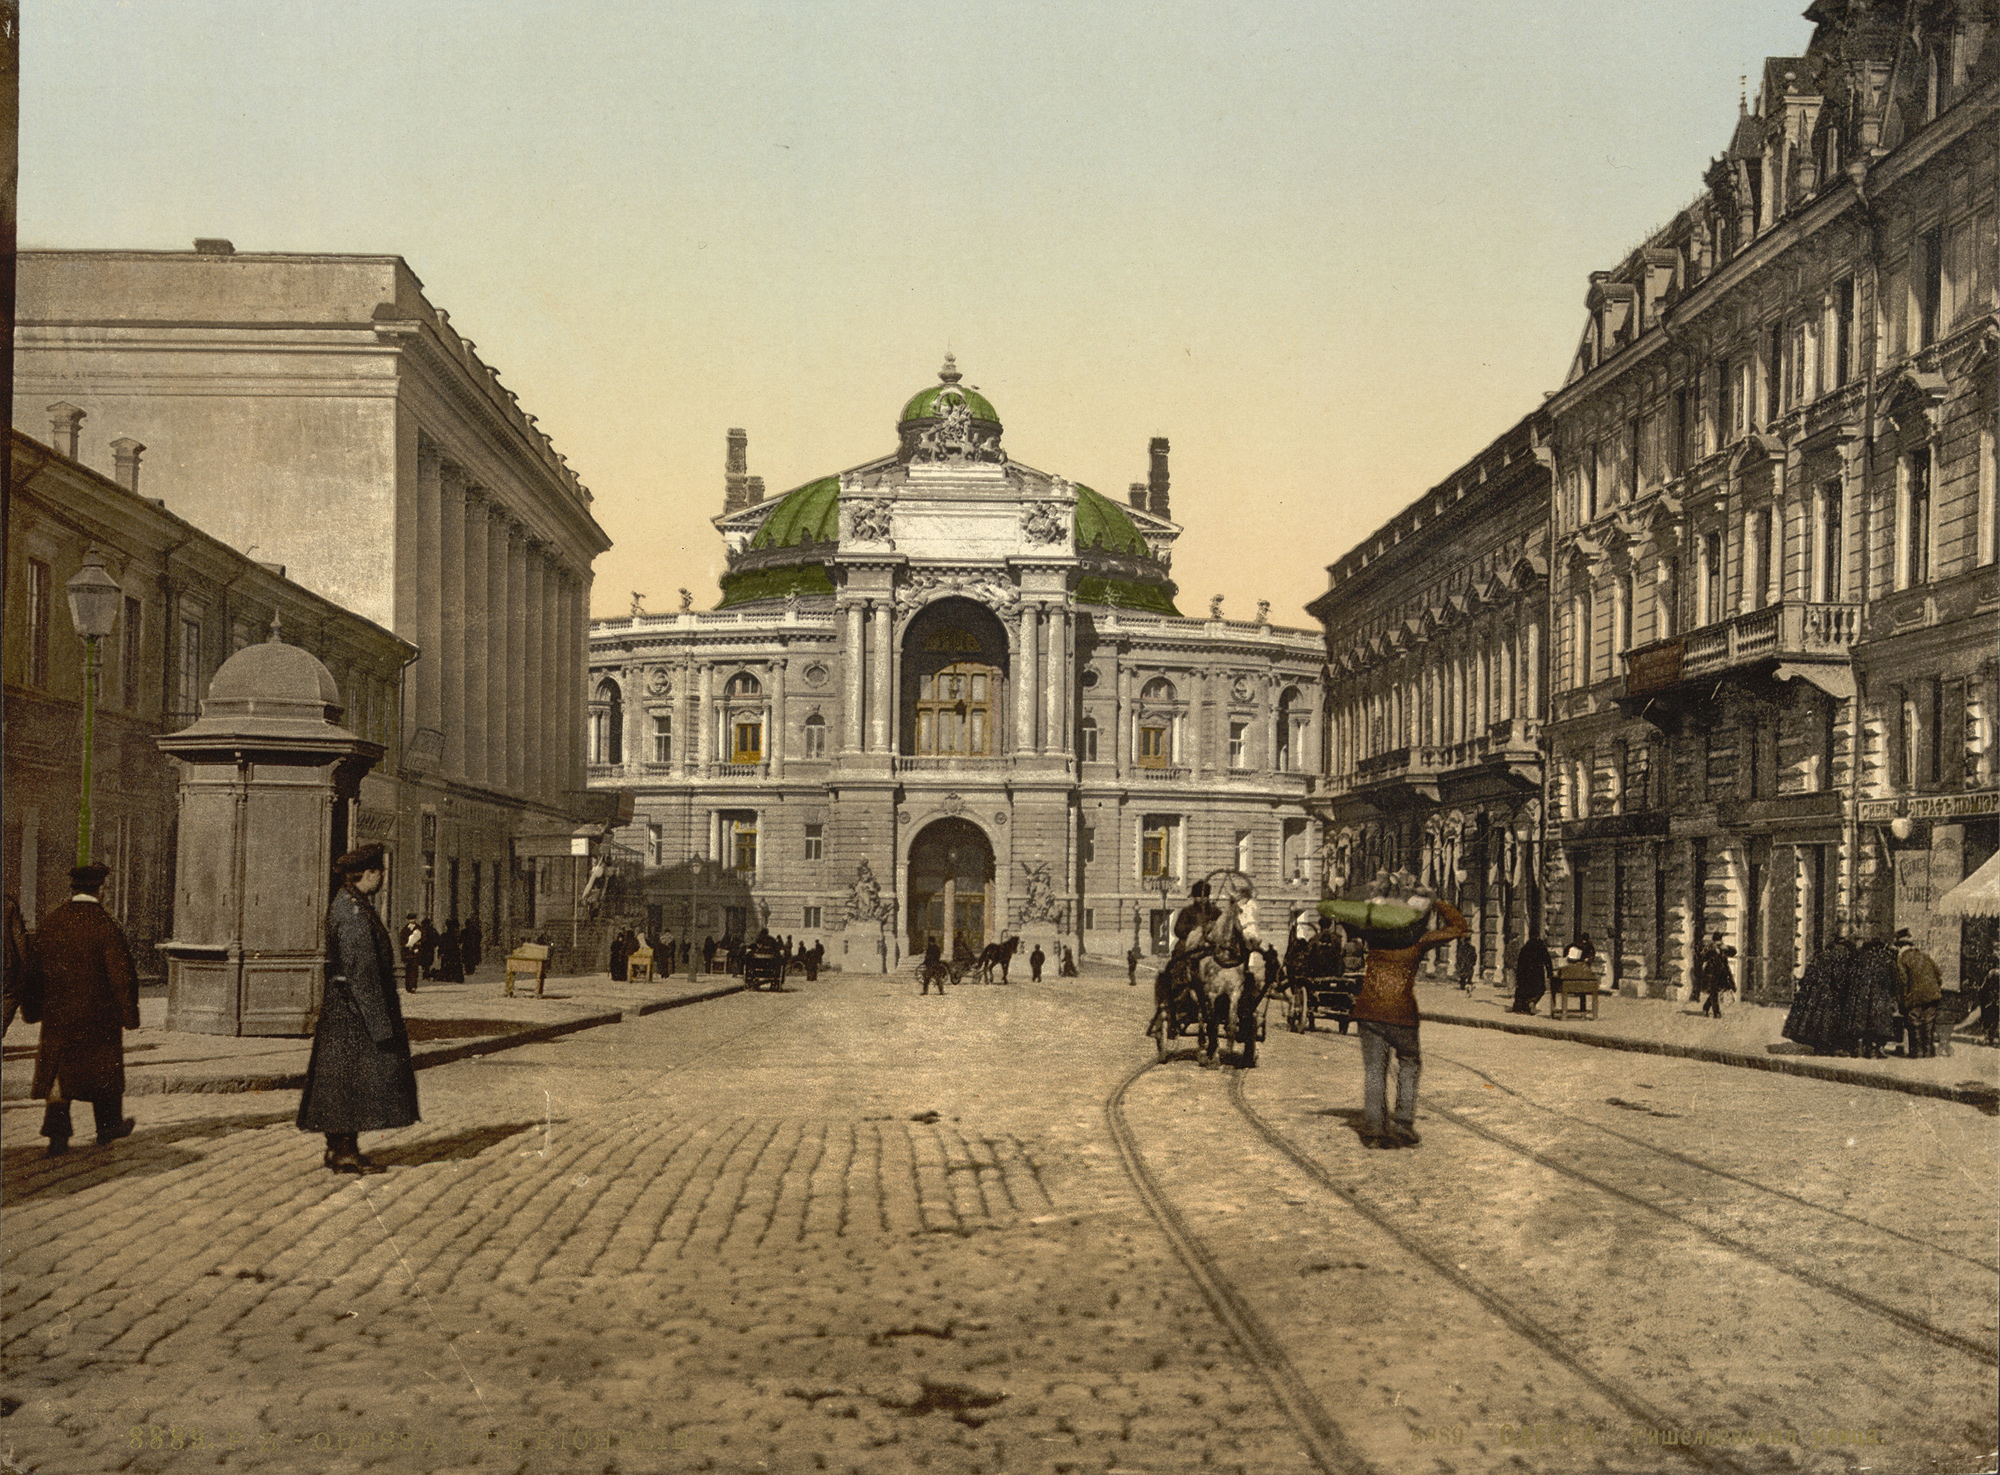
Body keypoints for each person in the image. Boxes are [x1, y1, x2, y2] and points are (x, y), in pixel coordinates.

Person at [298, 844, 418, 1174]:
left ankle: (340, 1147)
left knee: (344, 1081)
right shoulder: (352, 911)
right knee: (351, 1081)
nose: (382, 878)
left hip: (347, 1009)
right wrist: (379, 1022)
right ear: (368, 874)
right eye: (379, 872)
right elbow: (361, 970)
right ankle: (343, 1151)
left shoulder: (352, 903)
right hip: (353, 1012)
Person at [24, 863, 140, 1156]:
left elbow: (33, 971)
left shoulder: (52, 921)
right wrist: (129, 1014)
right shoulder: (105, 925)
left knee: (59, 1077)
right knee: (104, 1072)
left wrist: (33, 1009)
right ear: (100, 889)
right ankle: (108, 1126)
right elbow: (121, 975)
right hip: (98, 1017)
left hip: (59, 1016)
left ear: (73, 888)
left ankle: (57, 1136)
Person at [1347, 871, 1468, 1150]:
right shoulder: (1419, 941)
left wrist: (1377, 894)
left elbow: (1349, 913)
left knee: (1375, 1071)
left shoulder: (1374, 936)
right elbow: (1459, 927)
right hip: (1402, 1013)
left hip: (1369, 1010)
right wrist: (1436, 899)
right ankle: (1402, 1124)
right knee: (1410, 1065)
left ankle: (1375, 1131)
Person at [1783, 938, 1852, 1053]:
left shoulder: (1821, 956)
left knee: (1815, 1019)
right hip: (1828, 992)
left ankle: (1818, 1045)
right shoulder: (1840, 956)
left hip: (1813, 992)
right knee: (1826, 1019)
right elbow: (1838, 978)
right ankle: (1826, 1046)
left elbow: (1807, 975)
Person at [1844, 935, 1902, 1059]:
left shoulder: (1859, 959)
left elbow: (1850, 978)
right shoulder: (1887, 960)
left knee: (1861, 1023)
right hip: (1880, 997)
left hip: (1861, 997)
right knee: (1877, 1024)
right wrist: (1894, 998)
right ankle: (1874, 1050)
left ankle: (1859, 1048)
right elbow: (1896, 981)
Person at [1894, 928, 1944, 1058]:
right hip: (1932, 995)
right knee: (1928, 1024)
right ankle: (1928, 1052)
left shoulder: (1901, 959)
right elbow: (1938, 974)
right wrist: (1934, 988)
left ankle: (1917, 1052)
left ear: (1900, 946)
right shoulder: (1924, 956)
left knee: (1915, 1024)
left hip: (1914, 997)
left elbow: (1902, 982)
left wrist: (1903, 1001)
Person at [3, 894, 31, 1034]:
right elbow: (19, 938)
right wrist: (25, 965)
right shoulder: (7, 903)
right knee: (9, 996)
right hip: (5, 964)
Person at [1511, 934, 1553, 1015]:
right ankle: (1532, 1002)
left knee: (1524, 991)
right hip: (1537, 973)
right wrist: (1549, 973)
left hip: (1525, 974)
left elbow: (1519, 963)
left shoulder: (1524, 949)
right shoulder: (1541, 949)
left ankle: (1524, 1006)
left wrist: (1518, 976)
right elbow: (1548, 961)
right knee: (1540, 990)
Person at [1697, 933, 1735, 1017]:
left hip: (1722, 974)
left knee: (1717, 991)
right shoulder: (1710, 948)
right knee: (1714, 992)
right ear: (1714, 941)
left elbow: (1734, 952)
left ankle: (1706, 1007)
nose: (1719, 943)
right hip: (1712, 973)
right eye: (1717, 941)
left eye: (1720, 941)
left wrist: (1727, 947)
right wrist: (1711, 950)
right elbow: (1703, 957)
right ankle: (1716, 1012)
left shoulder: (1723, 947)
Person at [398, 914, 424, 994]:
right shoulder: (404, 929)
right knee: (408, 969)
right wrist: (405, 946)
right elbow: (401, 940)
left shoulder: (419, 929)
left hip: (415, 952)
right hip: (407, 952)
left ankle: (413, 986)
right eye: (410, 919)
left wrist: (417, 946)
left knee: (414, 969)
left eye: (413, 919)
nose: (412, 921)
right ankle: (408, 986)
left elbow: (423, 939)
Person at [436, 919, 465, 983]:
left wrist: (440, 953)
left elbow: (440, 945)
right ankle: (454, 977)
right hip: (454, 953)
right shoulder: (455, 935)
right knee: (455, 965)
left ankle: (447, 976)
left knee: (447, 965)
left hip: (446, 953)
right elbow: (460, 941)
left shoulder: (444, 935)